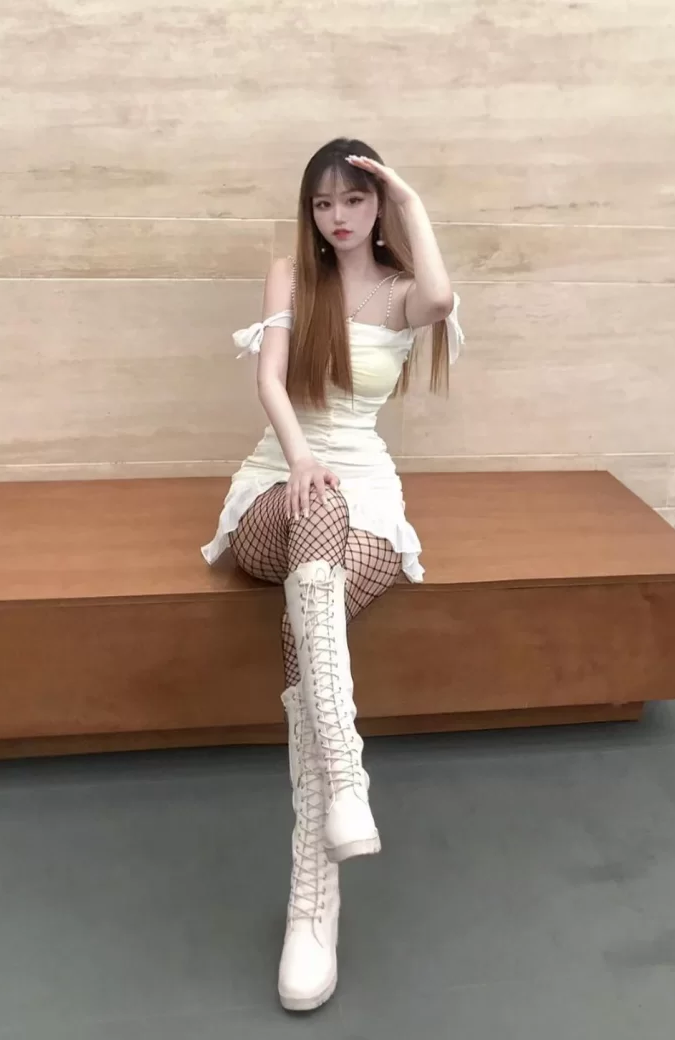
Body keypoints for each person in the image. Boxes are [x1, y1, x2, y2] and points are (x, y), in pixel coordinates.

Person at [201, 137, 463, 1012]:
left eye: (355, 199)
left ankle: (314, 898)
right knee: (313, 511)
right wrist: (301, 460)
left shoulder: (403, 291)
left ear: (378, 203)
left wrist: (412, 201)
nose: (338, 216)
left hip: (369, 498)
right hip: (276, 486)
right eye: (323, 202)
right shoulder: (291, 276)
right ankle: (347, 777)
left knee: (305, 615)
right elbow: (271, 383)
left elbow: (442, 299)